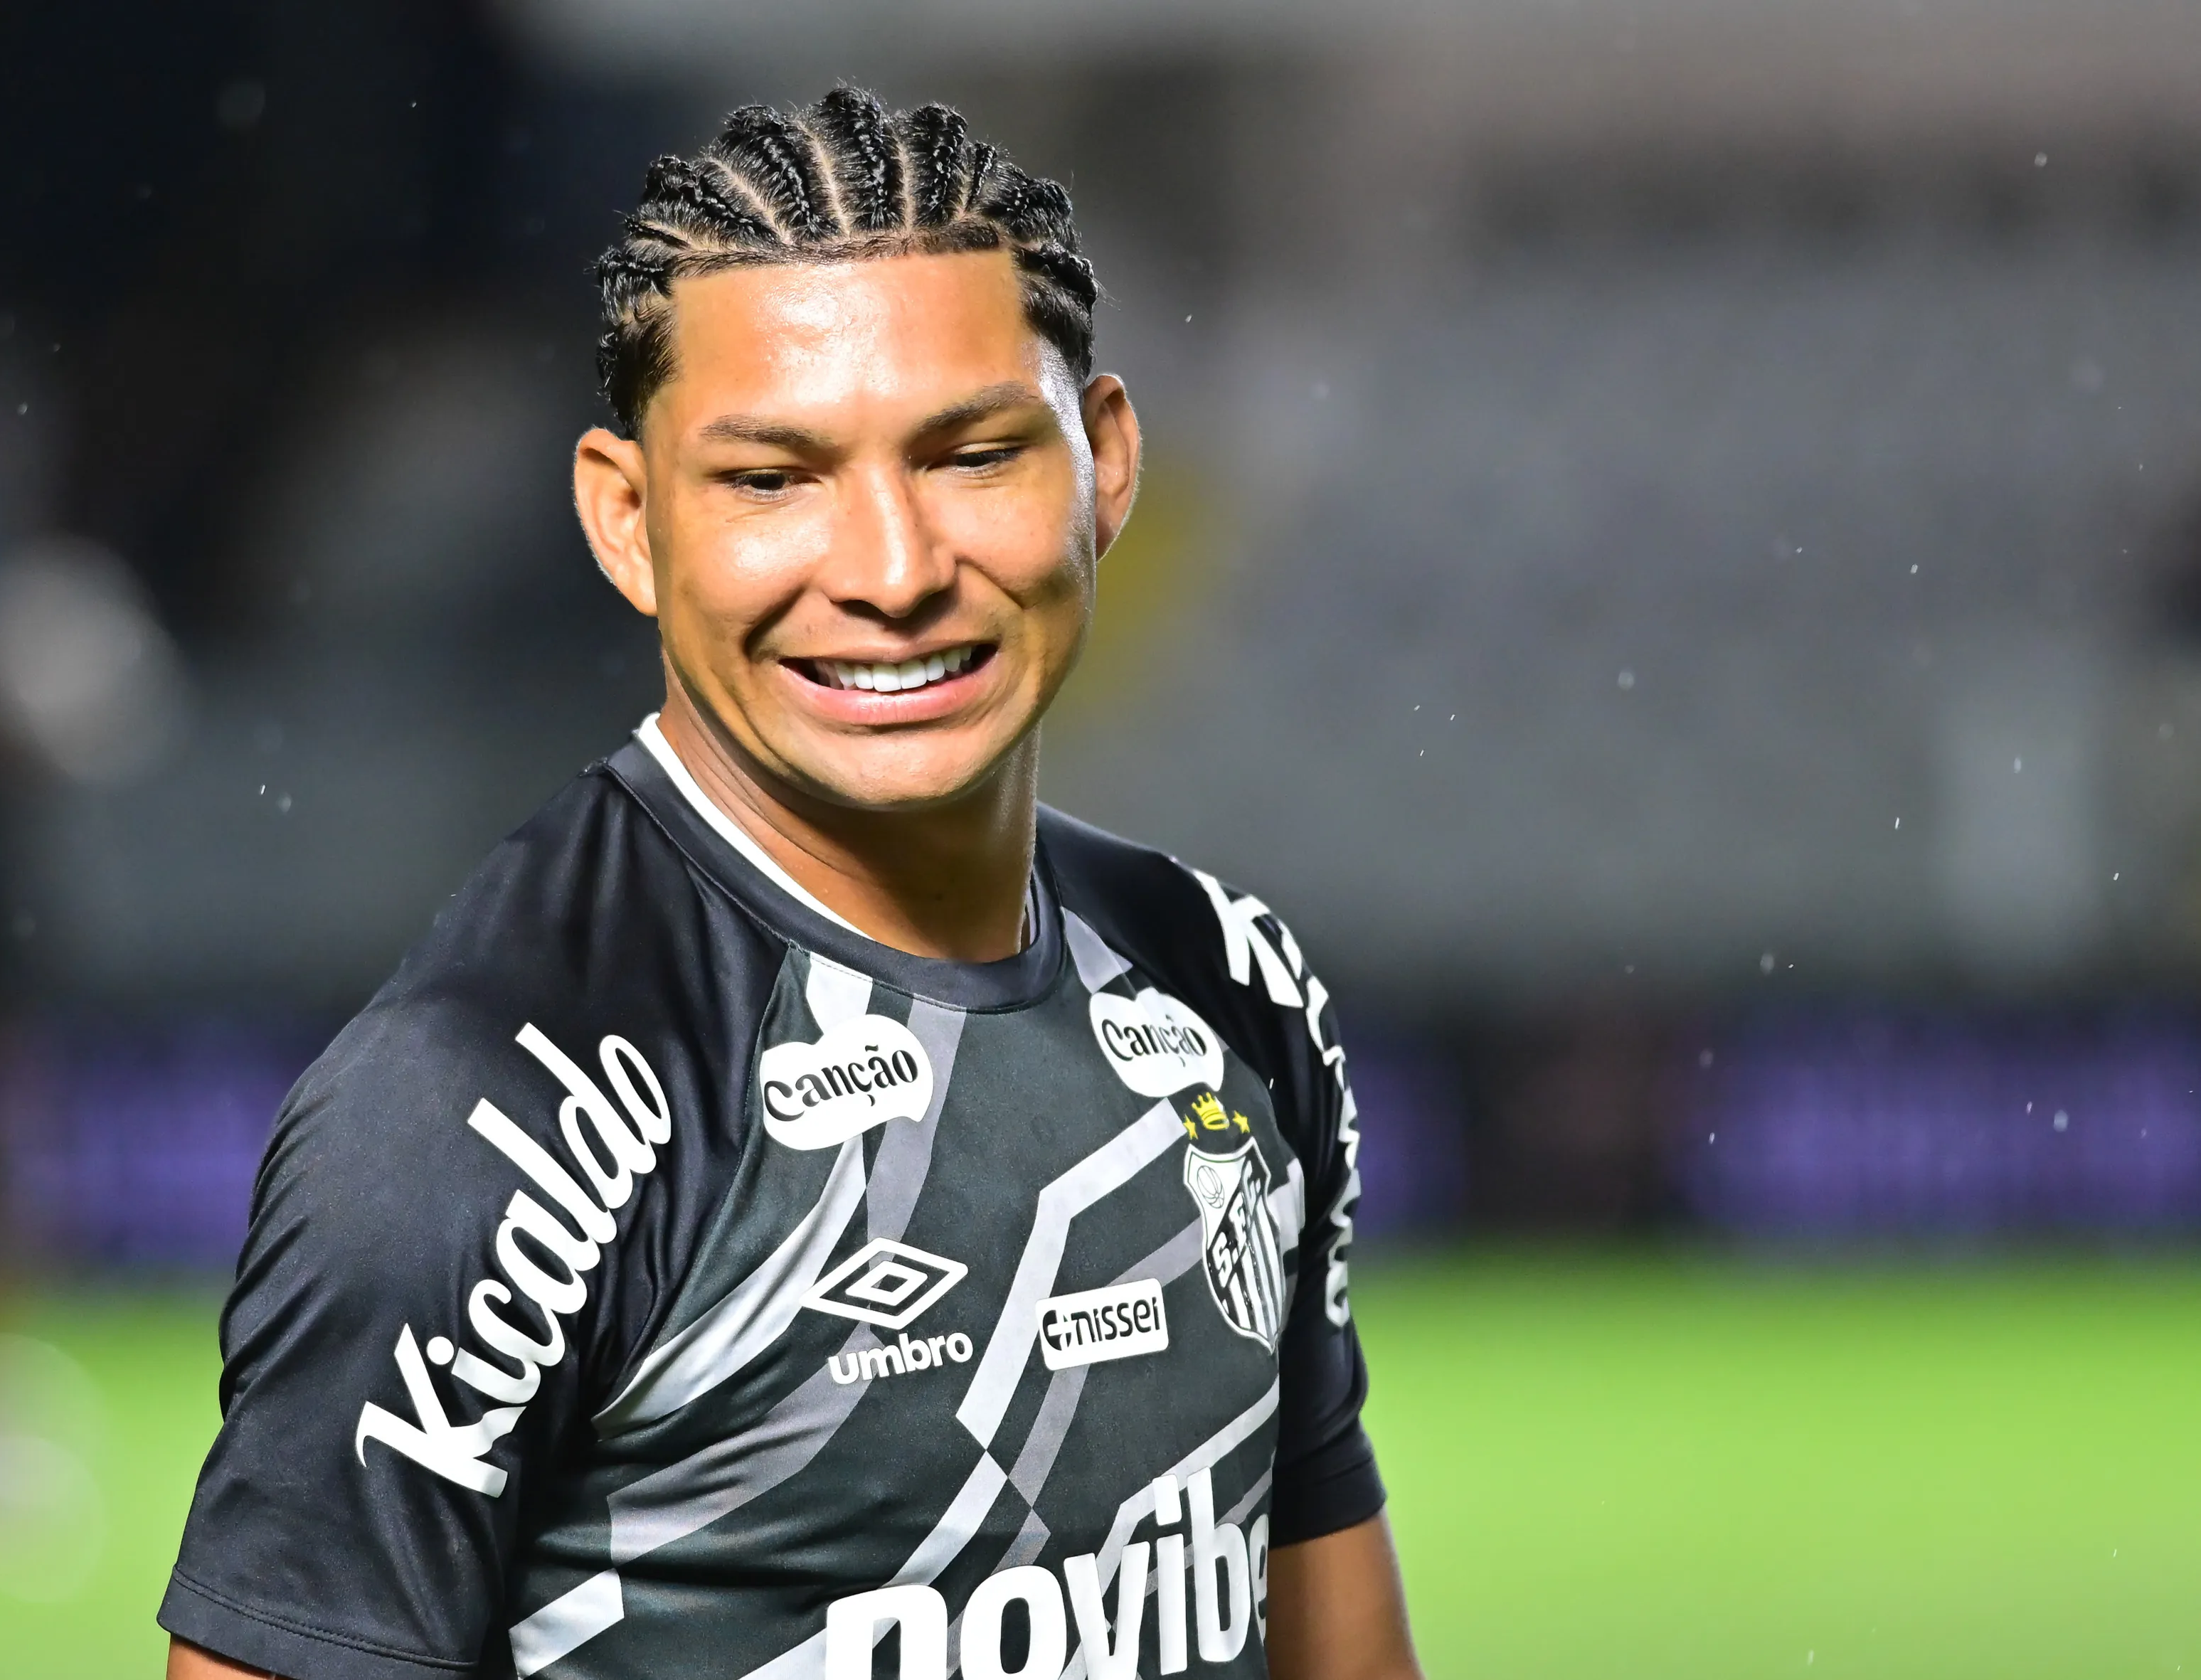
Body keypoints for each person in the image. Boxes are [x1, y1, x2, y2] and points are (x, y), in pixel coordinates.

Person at [163, 88, 1423, 1680]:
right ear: (628, 520)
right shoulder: (477, 1114)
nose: (891, 569)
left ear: (1102, 463)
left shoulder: (1226, 984)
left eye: (969, 453)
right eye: (773, 479)